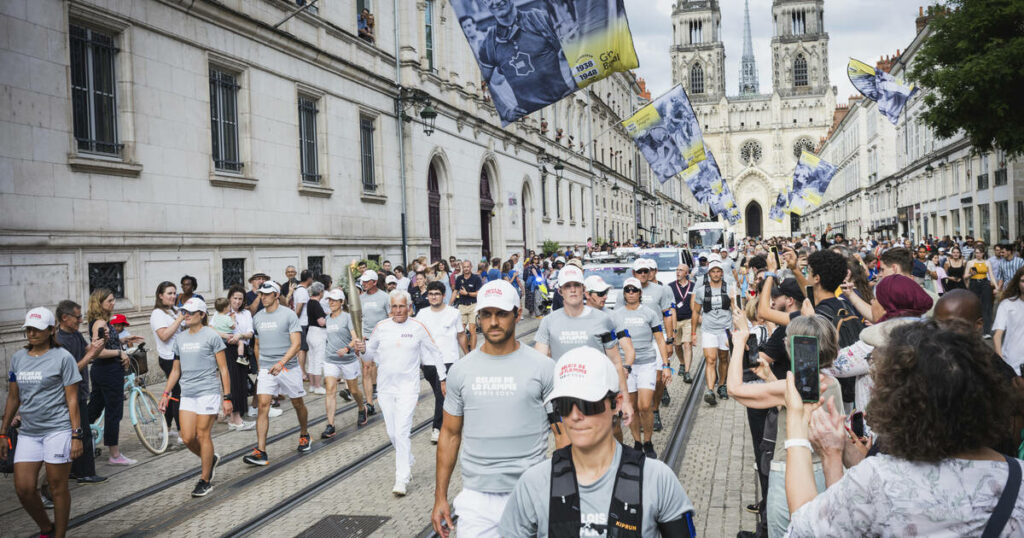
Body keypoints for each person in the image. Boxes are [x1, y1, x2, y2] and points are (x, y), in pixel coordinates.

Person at [785, 320, 1024, 536]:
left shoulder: (880, 480)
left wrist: (800, 425)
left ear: (899, 399)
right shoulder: (1019, 477)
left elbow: (803, 529)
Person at [498, 347, 696, 537]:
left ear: (616, 404)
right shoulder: (533, 484)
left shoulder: (658, 480)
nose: (575, 416)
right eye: (564, 406)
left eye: (587, 404)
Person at [432, 280, 559, 537]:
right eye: (486, 314)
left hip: (530, 492)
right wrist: (440, 497)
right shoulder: (461, 370)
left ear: (517, 314)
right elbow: (449, 434)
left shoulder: (544, 368)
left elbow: (564, 434)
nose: (493, 322)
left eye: (501, 314)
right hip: (477, 498)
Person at [725, 313, 843, 538]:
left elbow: (734, 389)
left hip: (790, 473)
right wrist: (770, 378)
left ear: (794, 348)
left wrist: (739, 343)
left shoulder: (789, 387)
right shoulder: (832, 384)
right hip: (826, 471)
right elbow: (796, 410)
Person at [1, 307, 84, 538]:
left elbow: (72, 399)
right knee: (24, 488)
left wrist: (76, 435)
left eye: (37, 329)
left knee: (58, 488)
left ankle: (59, 535)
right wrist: (3, 432)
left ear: (50, 330)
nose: (31, 333)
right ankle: (45, 527)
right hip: (28, 432)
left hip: (58, 430)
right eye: (28, 328)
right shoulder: (18, 358)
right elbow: (13, 397)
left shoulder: (63, 358)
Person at [362, 290, 446, 496]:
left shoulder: (418, 327)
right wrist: (360, 349)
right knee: (392, 432)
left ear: (409, 307)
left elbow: (435, 352)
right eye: (394, 307)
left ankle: (402, 478)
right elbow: (368, 354)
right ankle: (407, 457)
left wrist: (443, 378)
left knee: (401, 432)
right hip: (385, 388)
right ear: (390, 308)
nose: (398, 311)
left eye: (402, 306)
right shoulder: (381, 327)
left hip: (408, 388)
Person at [534, 264, 635, 426]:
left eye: (576, 285)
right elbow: (539, 363)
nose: (572, 290)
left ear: (583, 289)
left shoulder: (603, 320)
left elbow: (616, 362)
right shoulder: (549, 322)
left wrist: (626, 400)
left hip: (597, 394)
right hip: (564, 396)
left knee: (601, 442)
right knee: (565, 446)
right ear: (560, 291)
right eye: (567, 286)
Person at [157, 298, 232, 497]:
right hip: (187, 393)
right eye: (184, 312)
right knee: (187, 437)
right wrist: (165, 393)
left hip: (208, 391)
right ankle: (210, 459)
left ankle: (205, 480)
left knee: (202, 435)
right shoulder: (180, 338)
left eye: (190, 312)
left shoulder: (212, 336)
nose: (186, 315)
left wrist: (227, 397)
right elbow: (175, 370)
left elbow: (224, 369)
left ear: (202, 315)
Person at [242, 280, 309, 466]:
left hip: (289, 367)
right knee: (263, 405)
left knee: (297, 403)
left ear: (276, 295)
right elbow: (256, 344)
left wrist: (281, 363)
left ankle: (304, 434)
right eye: (261, 294)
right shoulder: (258, 317)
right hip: (267, 368)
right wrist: (261, 364)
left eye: (266, 294)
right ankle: (260, 451)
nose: (263, 297)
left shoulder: (288, 315)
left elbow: (296, 344)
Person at [612, 277, 671, 459]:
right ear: (624, 293)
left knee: (645, 405)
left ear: (640, 293)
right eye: (628, 290)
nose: (631, 293)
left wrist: (666, 365)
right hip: (626, 367)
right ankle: (637, 442)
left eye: (634, 290)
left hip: (647, 363)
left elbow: (660, 339)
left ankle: (648, 441)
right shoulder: (616, 314)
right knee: (633, 407)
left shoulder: (649, 313)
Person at [54, 300, 106, 484]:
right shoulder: (58, 341)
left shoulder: (75, 334)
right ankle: (85, 472)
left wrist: (98, 345)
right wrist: (90, 355)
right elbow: (69, 371)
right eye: (78, 317)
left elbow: (88, 351)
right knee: (80, 432)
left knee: (79, 431)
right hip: (70, 394)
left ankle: (74, 470)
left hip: (81, 390)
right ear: (65, 318)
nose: (81, 320)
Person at [87, 288, 140, 465]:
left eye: (113, 300)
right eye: (109, 301)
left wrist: (123, 340)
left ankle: (78, 436)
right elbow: (97, 352)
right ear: (99, 303)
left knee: (95, 407)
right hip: (108, 371)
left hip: (103, 371)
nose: (113, 303)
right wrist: (119, 352)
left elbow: (104, 344)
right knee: (113, 411)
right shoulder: (100, 323)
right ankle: (115, 455)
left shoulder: (101, 322)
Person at [415, 281, 467, 443]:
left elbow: (461, 335)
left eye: (437, 294)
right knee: (442, 394)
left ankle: (437, 428)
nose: (433, 297)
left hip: (448, 360)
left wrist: (468, 354)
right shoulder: (422, 314)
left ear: (444, 296)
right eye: (430, 294)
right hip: (428, 363)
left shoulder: (453, 313)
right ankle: (451, 420)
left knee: (441, 393)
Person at [691, 259, 738, 405]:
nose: (716, 274)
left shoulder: (729, 288)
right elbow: (696, 312)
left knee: (723, 358)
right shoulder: (701, 291)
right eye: (713, 271)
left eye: (718, 271)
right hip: (708, 330)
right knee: (710, 360)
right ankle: (710, 390)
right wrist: (693, 333)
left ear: (722, 273)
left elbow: (735, 309)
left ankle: (722, 385)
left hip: (725, 329)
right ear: (709, 273)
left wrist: (737, 328)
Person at [321, 288, 367, 437]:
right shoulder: (327, 318)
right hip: (330, 359)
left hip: (348, 359)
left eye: (334, 300)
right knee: (330, 390)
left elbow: (356, 338)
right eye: (330, 300)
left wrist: (347, 348)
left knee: (353, 390)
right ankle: (330, 425)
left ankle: (361, 407)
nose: (331, 303)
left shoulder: (347, 317)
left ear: (342, 302)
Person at [150, 281, 186, 445]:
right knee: (178, 394)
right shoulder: (158, 314)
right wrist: (179, 320)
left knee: (173, 393)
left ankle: (165, 428)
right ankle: (181, 432)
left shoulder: (174, 310)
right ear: (160, 295)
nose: (173, 296)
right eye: (169, 293)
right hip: (169, 358)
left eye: (174, 293)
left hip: (180, 356)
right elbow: (164, 335)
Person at [223, 286, 255, 431]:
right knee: (233, 383)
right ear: (229, 298)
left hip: (243, 351)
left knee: (242, 383)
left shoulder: (246, 313)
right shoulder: (223, 313)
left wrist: (240, 335)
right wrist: (228, 336)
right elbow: (213, 329)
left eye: (240, 299)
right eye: (235, 298)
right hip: (229, 350)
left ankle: (238, 416)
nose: (237, 301)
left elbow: (250, 332)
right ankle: (234, 419)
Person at [359, 269, 390, 413]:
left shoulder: (385, 297)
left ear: (375, 282)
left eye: (366, 281)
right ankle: (369, 403)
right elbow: (357, 318)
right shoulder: (360, 298)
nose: (363, 283)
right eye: (362, 281)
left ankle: (386, 397)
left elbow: (391, 318)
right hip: (366, 338)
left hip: (382, 338)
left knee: (383, 370)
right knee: (366, 368)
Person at [994, 266, 1024, 373]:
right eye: (1023, 281)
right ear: (1017, 282)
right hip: (1011, 363)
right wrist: (1001, 360)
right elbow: (998, 335)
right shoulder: (1006, 305)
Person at [452, 260, 483, 351]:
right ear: (462, 267)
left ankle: (472, 351)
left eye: (467, 267)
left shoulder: (476, 278)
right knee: (460, 331)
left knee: (472, 330)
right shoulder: (459, 278)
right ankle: (466, 353)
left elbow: (478, 293)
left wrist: (467, 293)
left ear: (471, 267)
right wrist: (449, 304)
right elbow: (455, 292)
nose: (466, 269)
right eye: (464, 267)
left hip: (473, 306)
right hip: (462, 306)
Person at [304, 282, 328, 394]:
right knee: (318, 360)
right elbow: (322, 322)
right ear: (320, 292)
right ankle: (318, 386)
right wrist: (331, 318)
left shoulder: (310, 302)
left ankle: (312, 385)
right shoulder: (317, 304)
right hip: (318, 333)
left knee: (312, 360)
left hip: (310, 332)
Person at [967, 245, 995, 335]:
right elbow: (965, 276)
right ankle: (973, 330)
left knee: (986, 307)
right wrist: (971, 276)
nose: (978, 254)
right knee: (974, 306)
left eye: (979, 253)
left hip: (984, 283)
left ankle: (987, 331)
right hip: (974, 283)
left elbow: (991, 276)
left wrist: (997, 287)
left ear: (983, 253)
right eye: (976, 252)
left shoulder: (987, 263)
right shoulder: (971, 262)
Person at [292, 270, 313, 382]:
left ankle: (301, 372)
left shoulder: (299, 290)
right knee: (302, 349)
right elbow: (299, 309)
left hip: (302, 323)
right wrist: (295, 322)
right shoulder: (302, 292)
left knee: (302, 349)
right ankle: (302, 373)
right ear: (309, 278)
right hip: (302, 323)